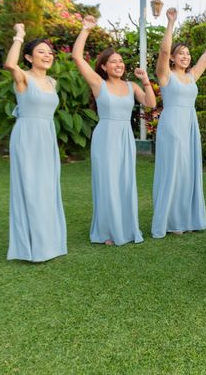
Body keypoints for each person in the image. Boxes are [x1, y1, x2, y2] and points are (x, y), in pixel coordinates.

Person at [72, 16, 156, 246]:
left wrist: (146, 79)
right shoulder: (99, 84)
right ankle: (108, 231)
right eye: (113, 62)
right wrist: (86, 29)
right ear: (103, 66)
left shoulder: (132, 86)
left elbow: (150, 103)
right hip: (105, 137)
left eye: (121, 61)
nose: (119, 65)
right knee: (108, 182)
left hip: (125, 138)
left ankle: (127, 228)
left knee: (125, 181)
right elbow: (77, 57)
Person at [151, 8, 206, 238]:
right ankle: (170, 220)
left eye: (187, 53)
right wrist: (171, 23)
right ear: (173, 58)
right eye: (180, 53)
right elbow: (163, 51)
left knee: (188, 172)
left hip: (190, 126)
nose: (186, 56)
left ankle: (187, 218)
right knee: (172, 171)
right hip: (172, 125)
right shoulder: (166, 75)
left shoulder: (192, 75)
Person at [4, 24, 67, 262]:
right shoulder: (23, 78)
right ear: (29, 57)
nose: (47, 55)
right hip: (27, 137)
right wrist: (19, 36)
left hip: (47, 137)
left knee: (47, 188)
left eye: (49, 52)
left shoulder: (52, 82)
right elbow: (10, 64)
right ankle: (30, 246)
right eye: (41, 52)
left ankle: (50, 242)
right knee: (30, 187)